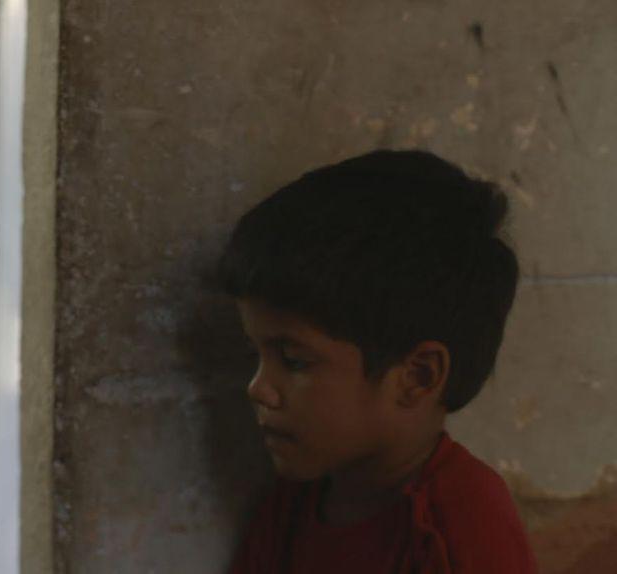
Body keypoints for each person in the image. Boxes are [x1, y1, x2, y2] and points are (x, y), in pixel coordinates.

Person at [220, 150, 537, 573]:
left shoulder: (460, 525)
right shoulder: (293, 504)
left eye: (294, 361)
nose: (258, 388)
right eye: (254, 355)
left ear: (417, 376)